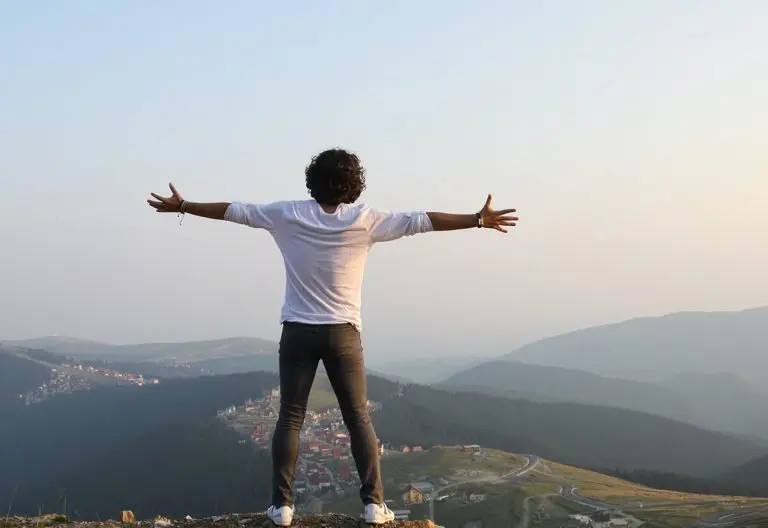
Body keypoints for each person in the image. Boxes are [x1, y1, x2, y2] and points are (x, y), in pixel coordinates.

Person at [147, 148, 518, 526]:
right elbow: (422, 220)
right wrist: (476, 220)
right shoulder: (367, 220)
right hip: (343, 333)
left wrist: (184, 206)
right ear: (353, 184)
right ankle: (374, 506)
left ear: (312, 179)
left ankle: (282, 507)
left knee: (290, 417)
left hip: (297, 333)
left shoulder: (286, 214)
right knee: (358, 417)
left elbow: (233, 210)